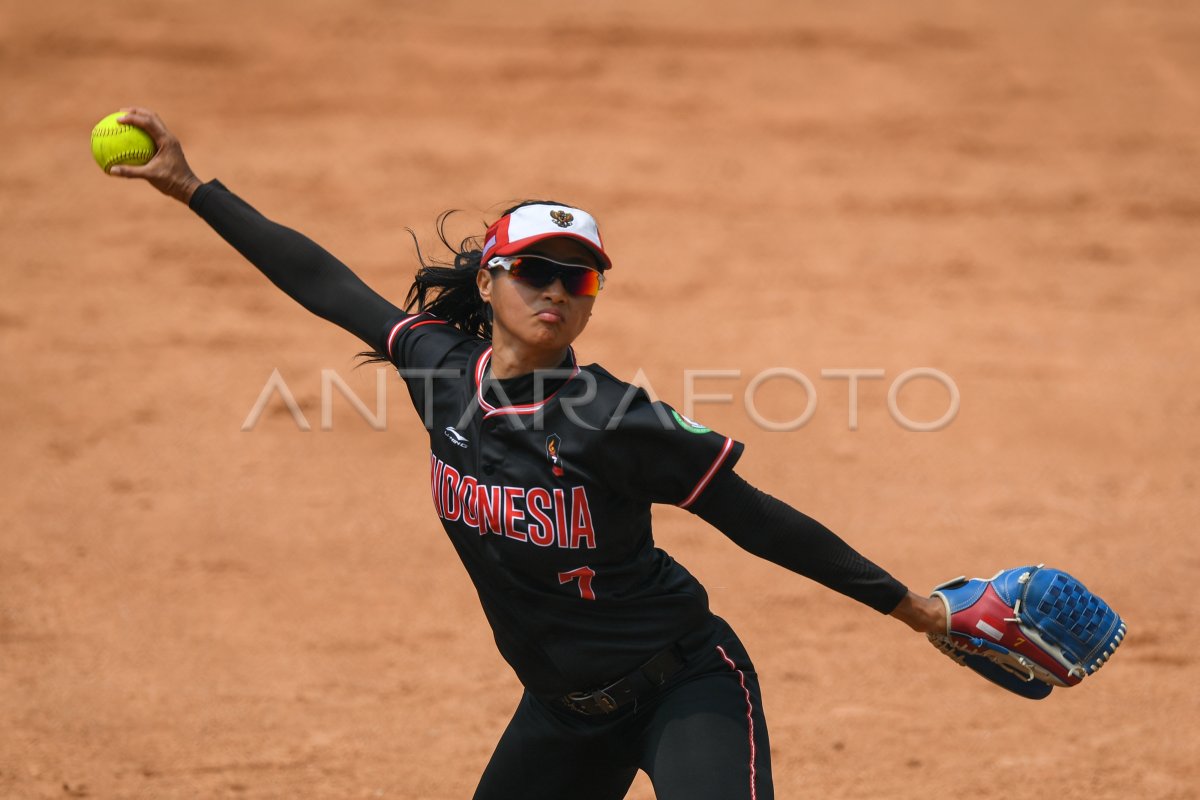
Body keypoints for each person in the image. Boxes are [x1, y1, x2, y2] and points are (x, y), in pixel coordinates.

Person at [107, 107, 946, 800]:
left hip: (686, 686)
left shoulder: (614, 417)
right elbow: (323, 282)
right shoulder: (437, 366)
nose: (554, 289)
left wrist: (915, 607)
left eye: (577, 279)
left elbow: (759, 521)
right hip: (561, 713)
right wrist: (191, 189)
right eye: (534, 269)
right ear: (488, 281)